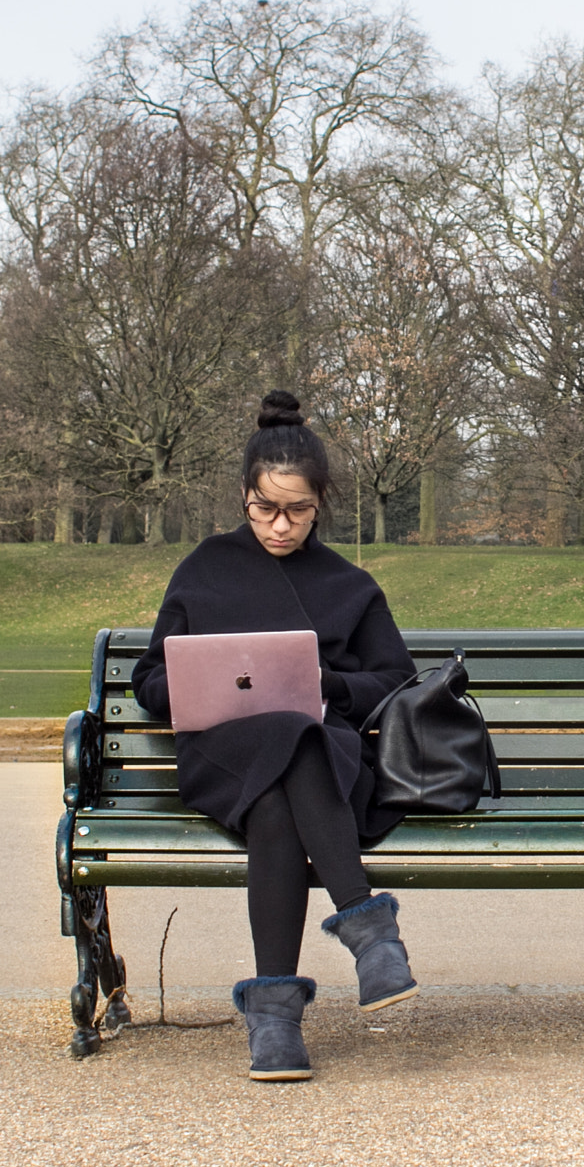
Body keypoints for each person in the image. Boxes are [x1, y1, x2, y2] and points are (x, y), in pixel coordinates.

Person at [131, 390, 420, 1082]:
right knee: (282, 753)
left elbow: (395, 679)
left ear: (321, 503)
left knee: (288, 766)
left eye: (298, 510)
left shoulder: (349, 583)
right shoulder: (206, 566)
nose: (280, 525)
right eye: (265, 507)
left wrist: (329, 683)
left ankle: (275, 1022)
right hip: (224, 752)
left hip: (322, 754)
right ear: (244, 495)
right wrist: (196, 680)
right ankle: (369, 930)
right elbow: (148, 680)